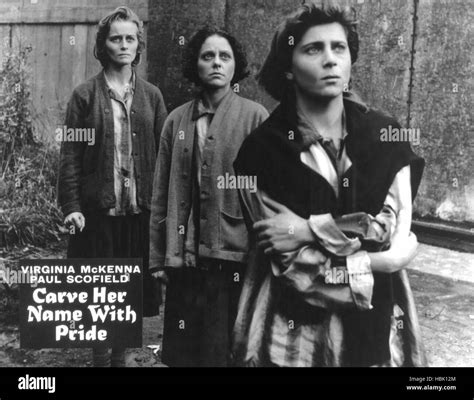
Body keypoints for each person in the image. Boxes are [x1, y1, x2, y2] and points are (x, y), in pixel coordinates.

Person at [232, 4, 427, 367]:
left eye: (339, 48)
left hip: (377, 327)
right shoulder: (261, 152)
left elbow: (390, 228)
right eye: (312, 49)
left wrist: (308, 228)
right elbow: (296, 268)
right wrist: (382, 262)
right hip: (294, 335)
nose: (330, 59)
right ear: (287, 68)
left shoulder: (386, 138)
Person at [149, 27, 268, 367]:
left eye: (224, 56)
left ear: (235, 66)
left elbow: (267, 192)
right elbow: (161, 193)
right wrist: (159, 256)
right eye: (207, 56)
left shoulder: (255, 117)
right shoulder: (176, 121)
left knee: (223, 350)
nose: (216, 63)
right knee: (185, 350)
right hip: (185, 259)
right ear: (195, 64)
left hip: (232, 258)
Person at [57, 6, 168, 367]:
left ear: (139, 44)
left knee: (129, 302)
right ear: (104, 45)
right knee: (100, 299)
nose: (123, 44)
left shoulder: (152, 96)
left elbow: (164, 160)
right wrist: (72, 206)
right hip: (98, 216)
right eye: (115, 38)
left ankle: (119, 362)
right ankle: (101, 363)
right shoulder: (84, 96)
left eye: (130, 38)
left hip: (138, 216)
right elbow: (70, 155)